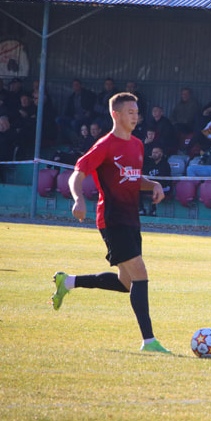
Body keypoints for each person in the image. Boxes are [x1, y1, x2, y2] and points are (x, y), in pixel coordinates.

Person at [51, 92, 170, 354]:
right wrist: (78, 199)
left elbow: (133, 179)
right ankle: (149, 342)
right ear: (115, 114)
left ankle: (67, 282)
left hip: (132, 219)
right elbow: (77, 174)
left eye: (137, 112)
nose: (135, 116)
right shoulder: (105, 145)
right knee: (141, 275)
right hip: (112, 219)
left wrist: (154, 185)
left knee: (127, 283)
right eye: (130, 112)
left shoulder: (138, 145)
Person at [140, 145, 171, 216]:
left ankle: (153, 210)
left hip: (164, 186)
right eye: (153, 152)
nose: (154, 154)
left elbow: (164, 180)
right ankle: (141, 209)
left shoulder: (165, 164)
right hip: (152, 185)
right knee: (137, 189)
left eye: (156, 152)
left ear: (161, 154)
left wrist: (154, 184)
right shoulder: (150, 163)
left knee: (156, 188)